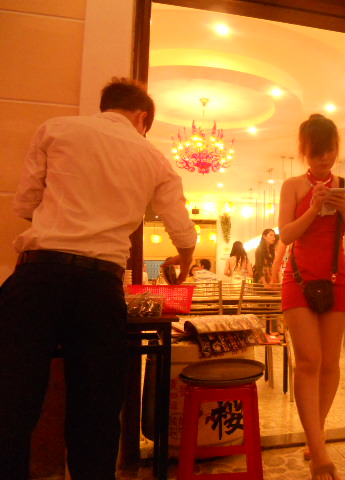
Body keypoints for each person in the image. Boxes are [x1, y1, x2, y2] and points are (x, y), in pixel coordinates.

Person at [0, 77, 197, 480]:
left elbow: (25, 204)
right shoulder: (153, 156)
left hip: (39, 273)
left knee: (11, 400)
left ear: (106, 105)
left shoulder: (56, 129)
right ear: (142, 117)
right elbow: (181, 227)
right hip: (99, 286)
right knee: (97, 409)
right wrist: (184, 259)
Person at [279, 113, 345, 480]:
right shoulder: (293, 186)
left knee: (330, 363)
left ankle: (316, 434)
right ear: (305, 151)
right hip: (297, 279)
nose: (324, 158)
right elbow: (285, 235)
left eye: (329, 150)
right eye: (317, 152)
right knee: (308, 361)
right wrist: (314, 207)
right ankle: (318, 452)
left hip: (337, 279)